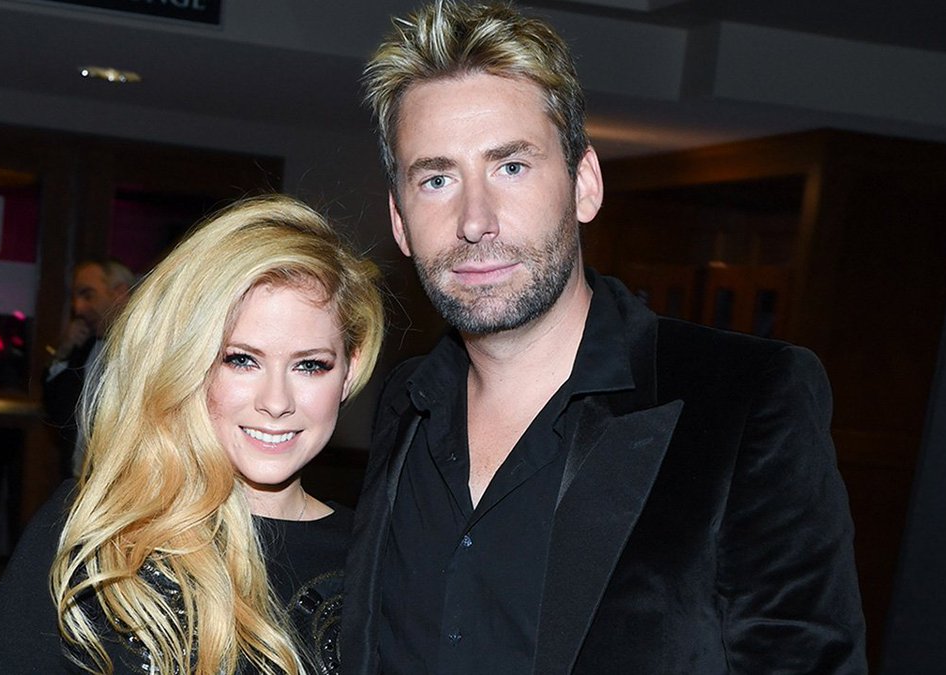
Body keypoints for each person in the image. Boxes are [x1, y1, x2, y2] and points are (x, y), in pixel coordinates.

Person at [341, 2, 867, 673]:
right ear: (400, 221)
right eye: (437, 179)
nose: (474, 220)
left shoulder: (745, 399)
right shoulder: (404, 405)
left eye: (511, 166)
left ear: (584, 184)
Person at [0, 194, 384, 674]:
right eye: (241, 359)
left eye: (310, 365)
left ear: (349, 370)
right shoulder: (95, 533)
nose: (277, 401)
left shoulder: (379, 558)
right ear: (188, 363)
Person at [42, 258, 133, 478]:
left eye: (88, 295)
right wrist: (63, 352)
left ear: (120, 293)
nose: (78, 308)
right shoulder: (84, 345)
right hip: (76, 481)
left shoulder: (148, 349)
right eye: (75, 298)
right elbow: (56, 413)